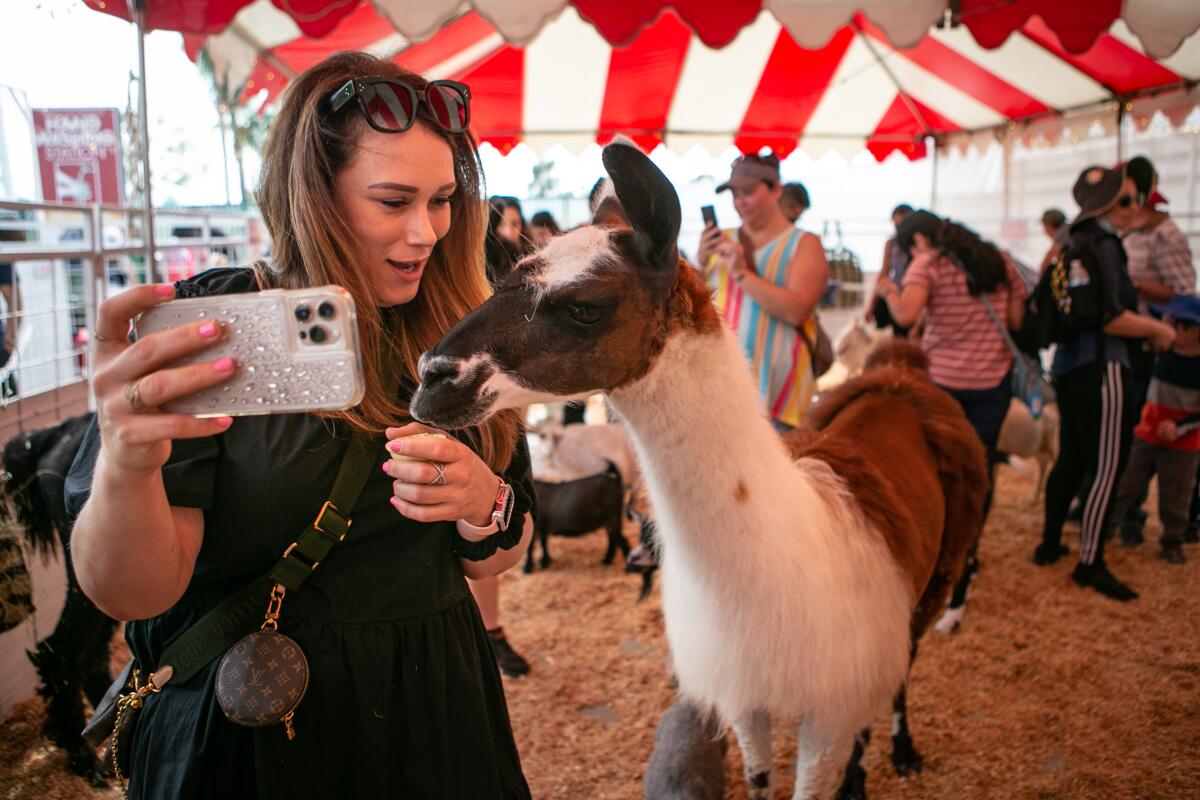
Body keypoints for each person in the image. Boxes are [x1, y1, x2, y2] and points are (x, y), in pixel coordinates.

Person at [64, 53, 535, 798]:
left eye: (443, 200)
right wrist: (126, 462)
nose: (427, 233)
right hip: (249, 734)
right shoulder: (218, 327)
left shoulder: (460, 334)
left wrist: (486, 504)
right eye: (392, 201)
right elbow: (129, 594)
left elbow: (497, 557)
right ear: (314, 195)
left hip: (437, 713)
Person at [1032, 163, 1176, 602]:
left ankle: (1050, 542)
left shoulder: (1071, 243)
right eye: (1129, 200)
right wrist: (1158, 331)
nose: (1136, 208)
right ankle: (1090, 562)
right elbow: (1110, 318)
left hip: (1069, 368)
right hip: (1106, 370)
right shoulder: (1107, 246)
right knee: (1107, 467)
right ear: (1110, 206)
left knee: (1071, 459)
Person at [874, 210, 1026, 623]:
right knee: (978, 470)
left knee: (937, 472)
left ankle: (940, 553)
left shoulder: (930, 264)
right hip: (992, 384)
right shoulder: (999, 259)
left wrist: (889, 289)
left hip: (943, 385)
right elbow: (1015, 319)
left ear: (920, 241)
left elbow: (905, 316)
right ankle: (969, 552)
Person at [695, 153, 829, 432]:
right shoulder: (722, 241)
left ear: (775, 190)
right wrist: (700, 261)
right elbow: (695, 304)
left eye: (748, 192)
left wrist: (743, 273)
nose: (740, 202)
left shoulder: (804, 243)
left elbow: (796, 310)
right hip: (724, 394)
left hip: (782, 397)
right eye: (734, 195)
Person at [1107, 295, 1200, 564]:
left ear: (1195, 330)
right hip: (1147, 433)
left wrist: (1180, 427)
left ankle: (1172, 542)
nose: (1169, 329)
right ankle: (1105, 529)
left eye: (1177, 324)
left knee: (1176, 496)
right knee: (1125, 483)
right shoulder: (1161, 353)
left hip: (1184, 445)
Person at [867, 204, 914, 336]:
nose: (899, 229)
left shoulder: (918, 247)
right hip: (895, 295)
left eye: (902, 225)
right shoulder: (891, 244)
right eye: (896, 225)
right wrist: (872, 304)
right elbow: (883, 273)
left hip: (910, 296)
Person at [1039, 208, 1070, 273]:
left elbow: (1049, 257)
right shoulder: (1067, 229)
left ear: (1049, 226)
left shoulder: (1063, 232)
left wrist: (1041, 277)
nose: (1044, 231)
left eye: (1044, 227)